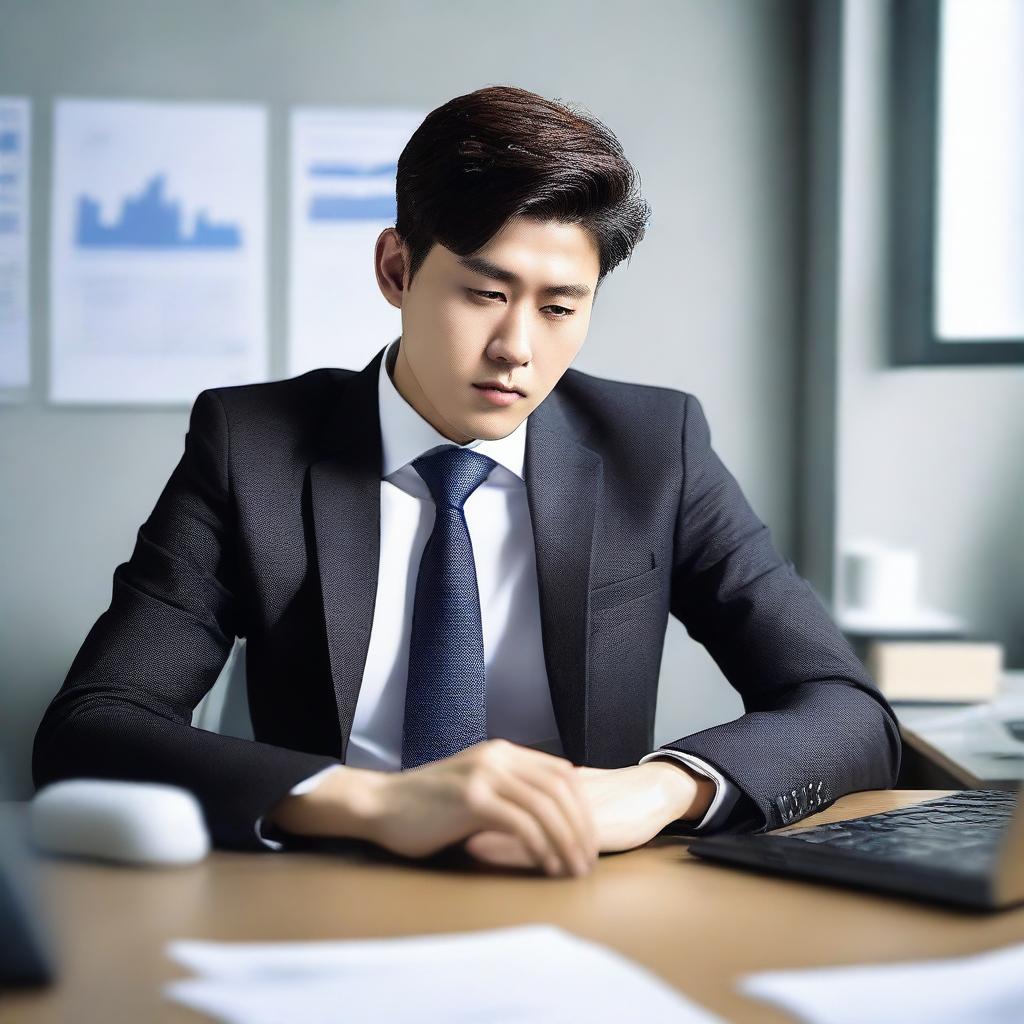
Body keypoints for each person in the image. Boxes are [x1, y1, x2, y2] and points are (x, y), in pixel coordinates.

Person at [32, 84, 901, 879]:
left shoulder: (656, 448)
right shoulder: (250, 446)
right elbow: (96, 724)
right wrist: (373, 802)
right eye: (485, 294)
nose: (518, 348)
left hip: (581, 889)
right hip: (330, 879)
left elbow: (845, 707)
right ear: (396, 270)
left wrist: (659, 788)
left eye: (560, 307)